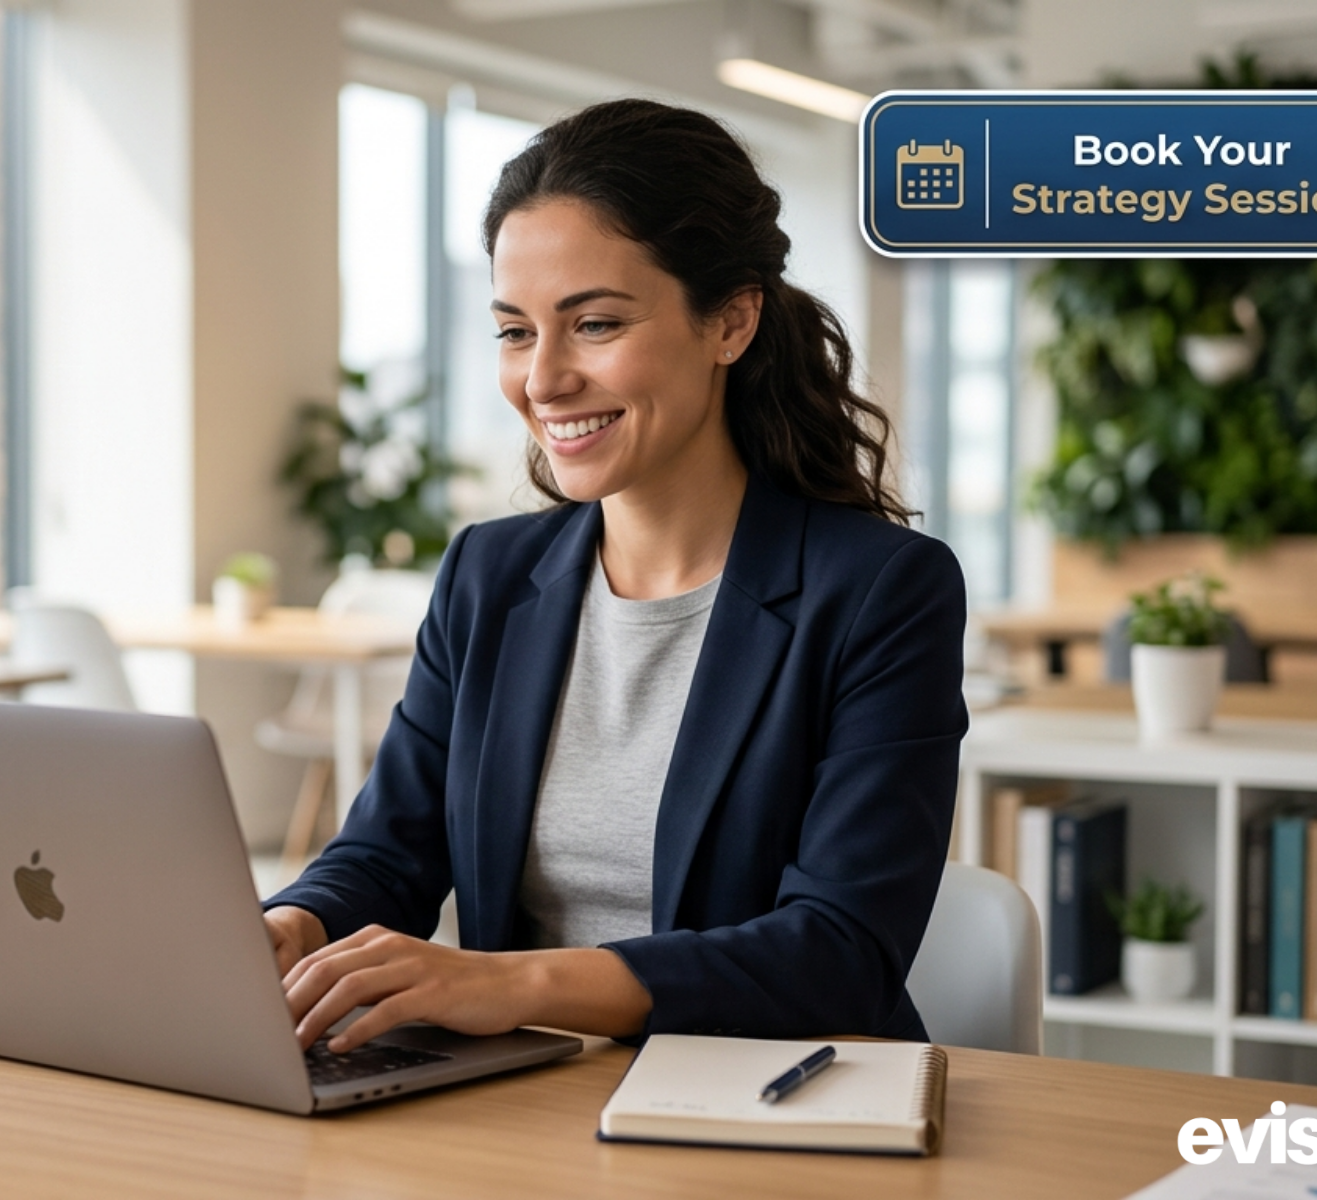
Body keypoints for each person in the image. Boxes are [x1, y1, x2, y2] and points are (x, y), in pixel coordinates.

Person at [264, 98, 967, 1054]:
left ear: (731, 323)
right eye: (515, 331)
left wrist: (510, 984)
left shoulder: (882, 592)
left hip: (771, 1111)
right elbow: (387, 853)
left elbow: (836, 955)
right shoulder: (488, 574)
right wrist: (295, 925)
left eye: (593, 324)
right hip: (522, 1113)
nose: (543, 380)